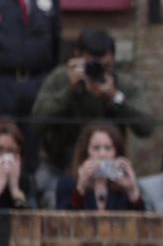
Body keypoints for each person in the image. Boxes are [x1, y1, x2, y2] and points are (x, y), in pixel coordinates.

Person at [30, 29, 148, 206]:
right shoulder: (61, 78)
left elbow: (147, 127)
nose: (98, 71)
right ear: (77, 56)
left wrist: (115, 98)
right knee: (48, 197)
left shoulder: (122, 83)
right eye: (93, 66)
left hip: (109, 171)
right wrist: (70, 92)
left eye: (106, 66)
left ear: (114, 61)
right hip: (58, 165)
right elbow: (36, 123)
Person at [54, 122, 142, 211]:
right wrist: (80, 188)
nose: (102, 154)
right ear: (86, 151)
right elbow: (63, 221)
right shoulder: (67, 182)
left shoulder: (123, 185)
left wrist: (132, 191)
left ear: (116, 153)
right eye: (96, 148)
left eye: (108, 148)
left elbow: (142, 222)